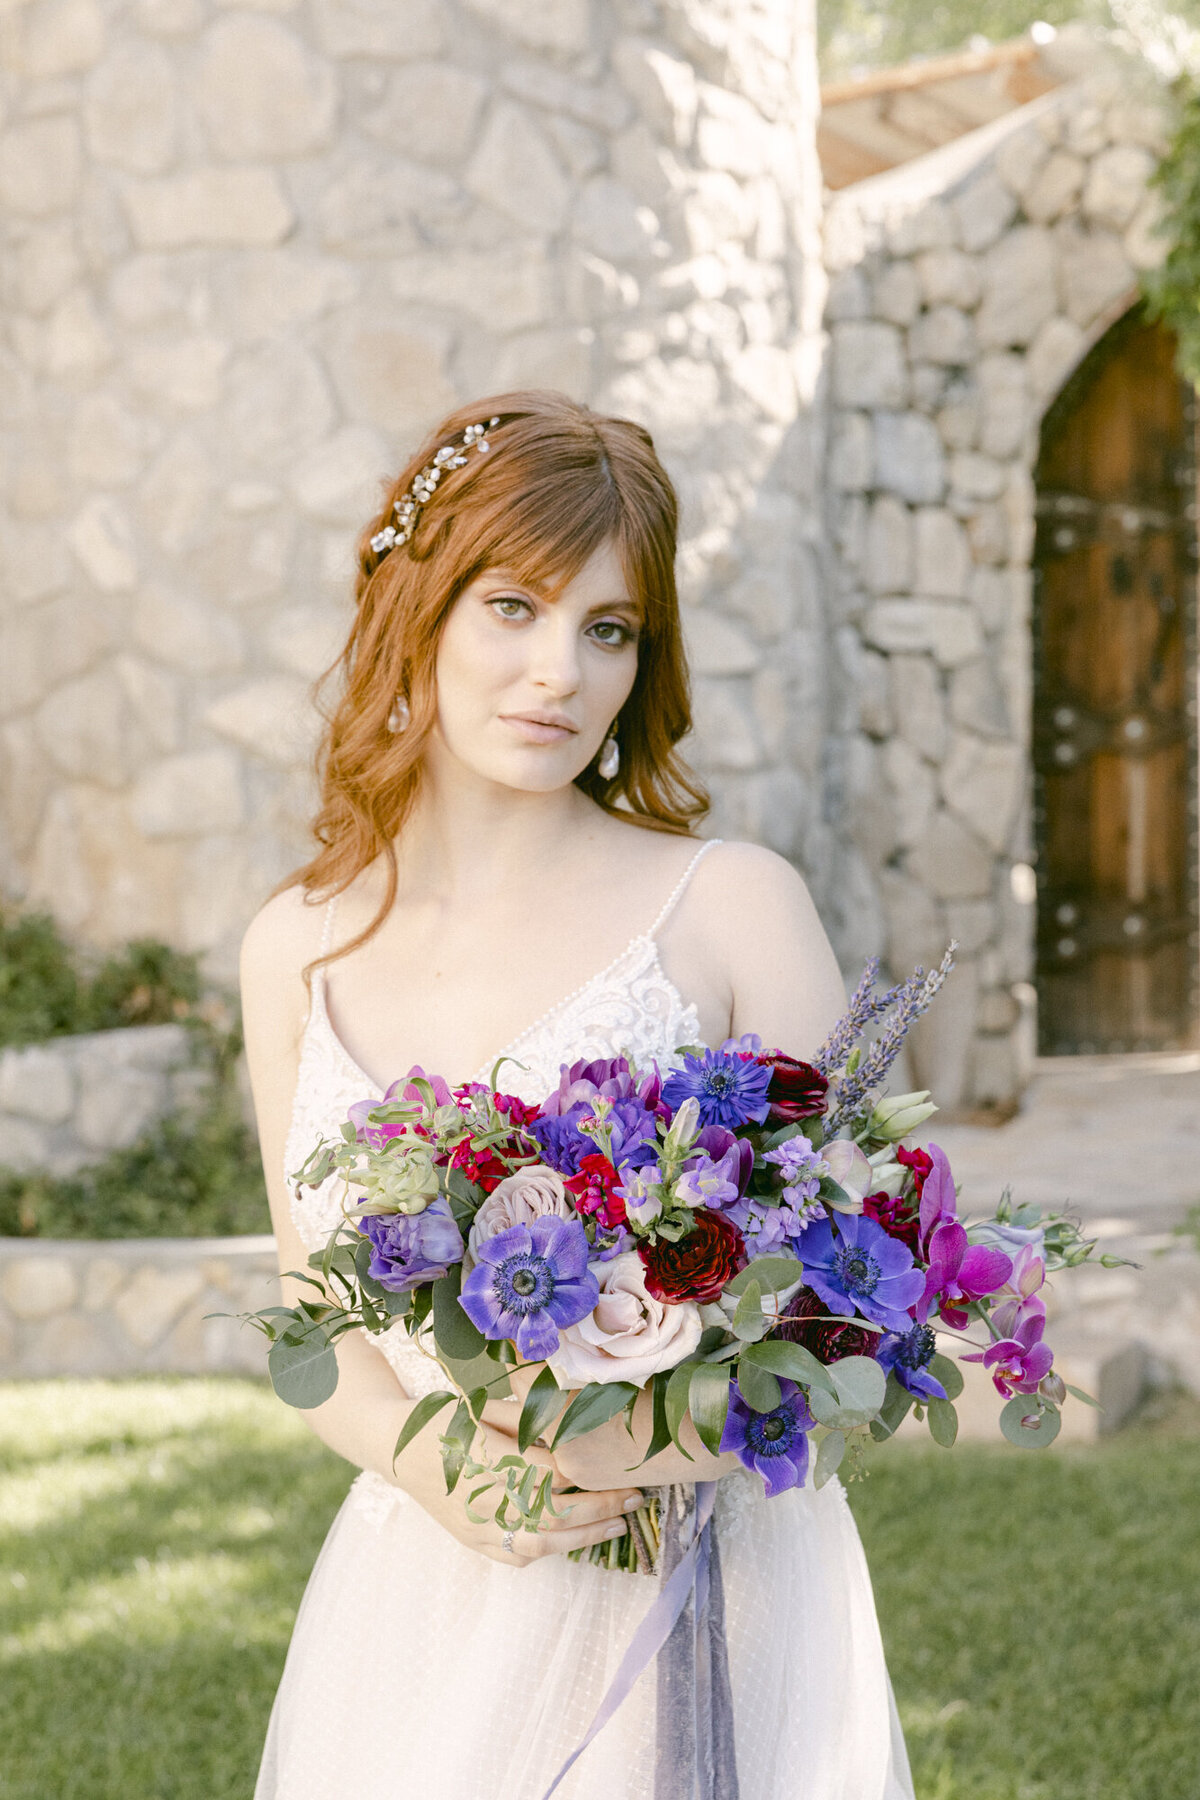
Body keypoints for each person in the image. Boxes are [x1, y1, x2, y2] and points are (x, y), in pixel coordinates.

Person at [241, 390, 914, 1799]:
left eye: (608, 630)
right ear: (414, 610)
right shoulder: (294, 945)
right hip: (426, 1597)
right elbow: (315, 1318)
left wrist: (649, 1433)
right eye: (514, 607)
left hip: (705, 1589)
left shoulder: (731, 907)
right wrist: (443, 1477)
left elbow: (857, 1298)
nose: (561, 669)